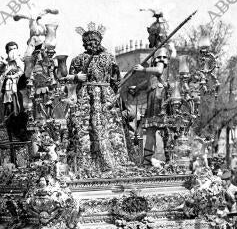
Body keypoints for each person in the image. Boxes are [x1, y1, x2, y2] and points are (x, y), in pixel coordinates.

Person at [67, 22, 128, 178]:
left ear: (99, 41)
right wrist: (76, 77)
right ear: (84, 43)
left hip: (105, 97)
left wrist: (114, 96)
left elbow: (116, 80)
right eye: (88, 42)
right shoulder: (78, 60)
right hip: (86, 98)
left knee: (109, 129)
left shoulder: (109, 58)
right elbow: (69, 82)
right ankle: (85, 165)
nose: (92, 44)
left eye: (95, 41)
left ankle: (112, 162)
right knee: (84, 129)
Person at [131, 44, 175, 165]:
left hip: (159, 96)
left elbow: (159, 70)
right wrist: (138, 88)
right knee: (151, 130)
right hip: (153, 96)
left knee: (165, 129)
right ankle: (147, 160)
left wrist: (143, 69)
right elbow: (150, 81)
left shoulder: (160, 51)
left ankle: (169, 159)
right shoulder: (156, 54)